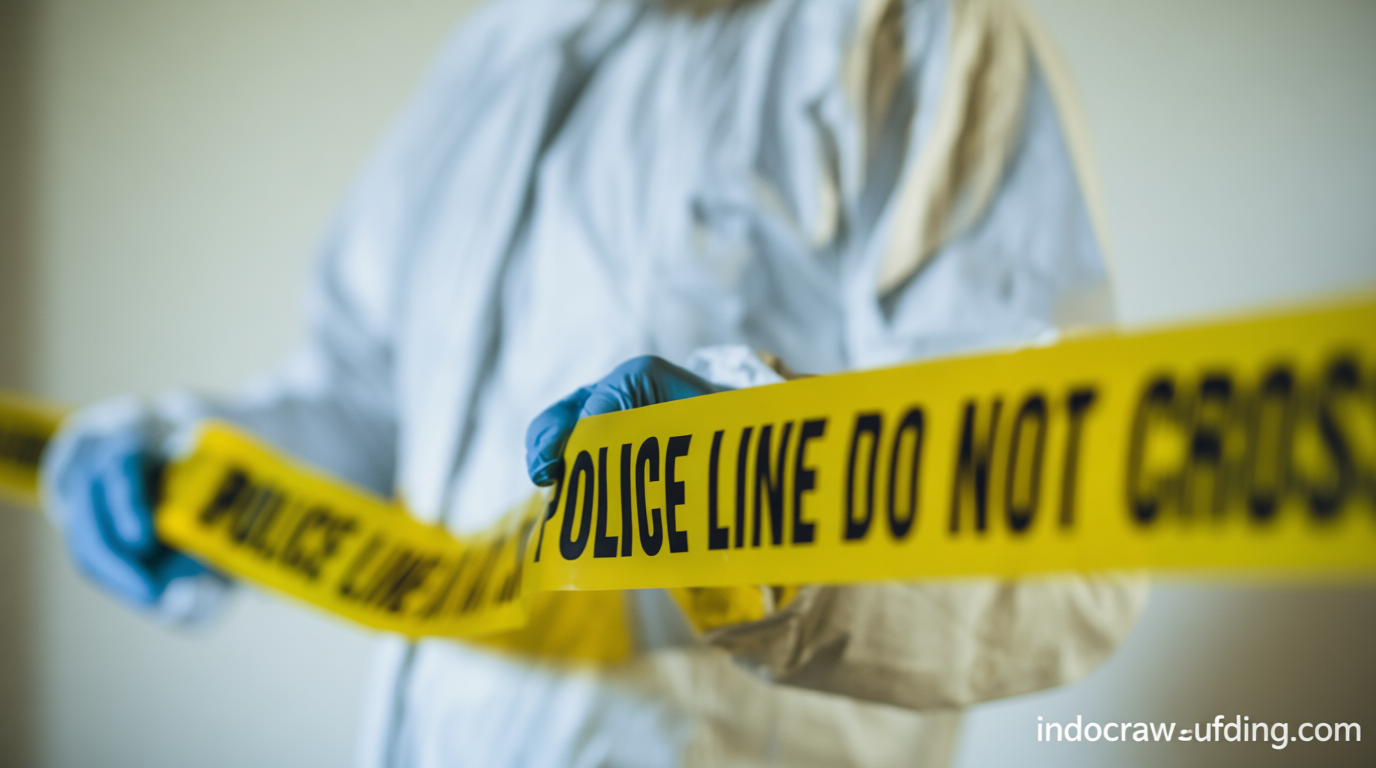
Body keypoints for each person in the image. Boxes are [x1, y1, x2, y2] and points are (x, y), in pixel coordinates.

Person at [42, 0, 1147, 765]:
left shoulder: (915, 39)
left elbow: (1053, 537)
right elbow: (377, 403)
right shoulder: (498, 51)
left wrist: (771, 496)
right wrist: (192, 462)